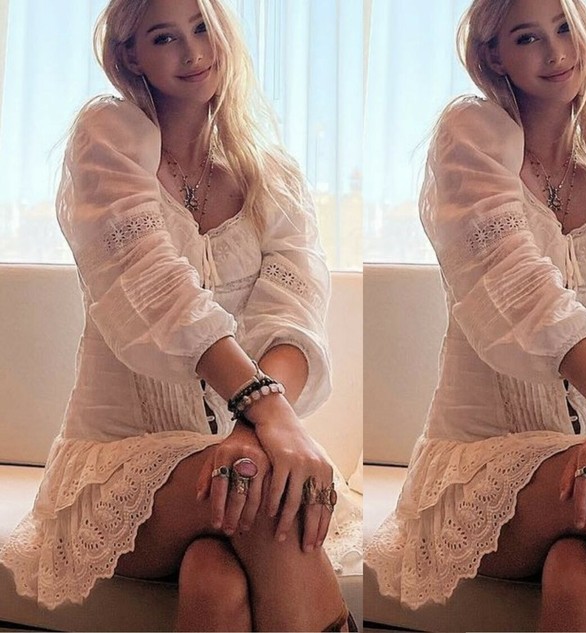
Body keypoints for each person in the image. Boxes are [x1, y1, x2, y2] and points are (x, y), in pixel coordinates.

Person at [0, 0, 361, 630]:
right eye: (164, 37)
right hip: (118, 468)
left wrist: (251, 427)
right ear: (130, 54)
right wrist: (268, 414)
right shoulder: (108, 140)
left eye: (202, 28)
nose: (193, 52)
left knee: (214, 581)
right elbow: (154, 290)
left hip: (240, 448)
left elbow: (295, 318)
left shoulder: (272, 177)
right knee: (254, 483)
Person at [366, 0, 586, 630]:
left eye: (565, 28)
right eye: (528, 37)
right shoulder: (471, 139)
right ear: (493, 54)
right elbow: (518, 289)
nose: (556, 52)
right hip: (483, 467)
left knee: (577, 579)